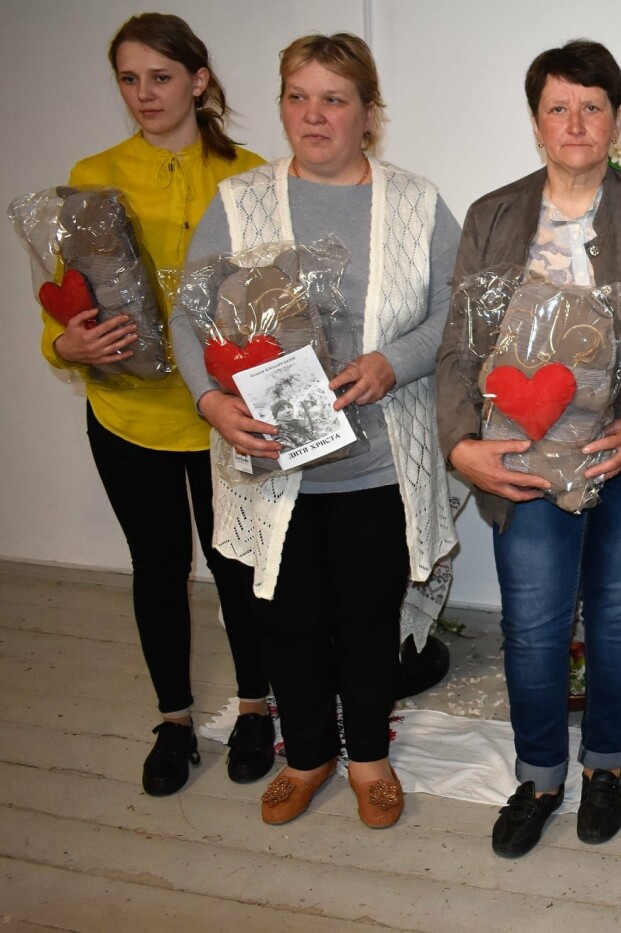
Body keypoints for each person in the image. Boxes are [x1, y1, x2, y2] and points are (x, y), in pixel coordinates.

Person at [170, 33, 459, 830]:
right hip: (271, 464)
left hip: (377, 461)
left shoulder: (415, 202)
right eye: (298, 97)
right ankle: (306, 756)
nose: (314, 114)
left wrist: (394, 362)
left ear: (369, 114)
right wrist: (210, 401)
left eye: (334, 99)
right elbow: (189, 317)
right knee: (285, 617)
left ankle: (367, 757)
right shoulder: (241, 202)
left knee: (368, 616)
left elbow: (453, 308)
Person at [436, 39, 621, 858]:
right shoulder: (494, 215)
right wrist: (461, 444)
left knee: (617, 615)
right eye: (558, 107)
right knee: (535, 624)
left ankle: (604, 765)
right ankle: (540, 775)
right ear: (536, 120)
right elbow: (457, 348)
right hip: (522, 461)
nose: (576, 123)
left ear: (616, 119)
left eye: (592, 107)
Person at [32, 13, 271, 798]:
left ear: (198, 82)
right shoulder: (93, 173)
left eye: (161, 78)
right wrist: (65, 345)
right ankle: (173, 720)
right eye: (129, 80)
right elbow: (65, 300)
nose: (144, 94)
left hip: (224, 415)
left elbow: (277, 299)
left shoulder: (251, 174)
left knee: (238, 563)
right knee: (159, 569)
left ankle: (257, 707)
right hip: (128, 415)